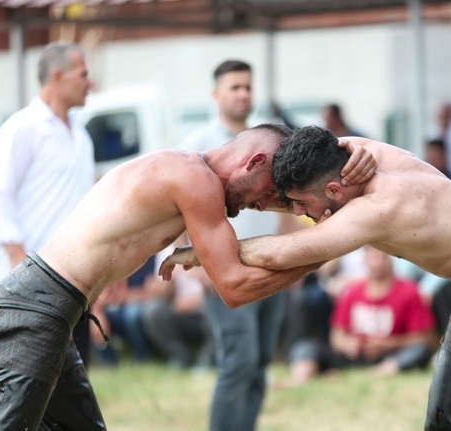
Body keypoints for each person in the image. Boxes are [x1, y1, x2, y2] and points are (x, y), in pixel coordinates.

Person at [163, 126, 451, 430]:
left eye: (300, 205)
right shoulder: (352, 154)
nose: (296, 214)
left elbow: (287, 251)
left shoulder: (380, 206)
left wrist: (198, 251)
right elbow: (314, 148)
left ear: (333, 191)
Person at [0, 122, 374, 431]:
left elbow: (294, 202)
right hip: (36, 304)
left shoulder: (191, 173)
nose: (263, 205)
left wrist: (352, 161)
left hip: (55, 308)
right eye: (267, 193)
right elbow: (233, 287)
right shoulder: (195, 182)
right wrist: (327, 248)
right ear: (254, 162)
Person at [180, 59, 290, 431]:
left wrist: (295, 253)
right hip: (225, 270)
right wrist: (198, 269)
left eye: (247, 86)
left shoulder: (270, 142)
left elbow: (285, 204)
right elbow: (180, 215)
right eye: (234, 87)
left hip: (273, 265)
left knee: (259, 363)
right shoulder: (198, 147)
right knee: (238, 361)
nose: (243, 94)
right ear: (216, 94)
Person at [0, 41, 96, 365]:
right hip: (30, 283)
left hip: (75, 281)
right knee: (29, 385)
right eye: (84, 74)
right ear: (58, 76)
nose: (91, 82)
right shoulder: (21, 129)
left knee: (73, 383)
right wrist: (20, 263)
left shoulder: (81, 137)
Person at [287, 246, 436, 385]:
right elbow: (336, 337)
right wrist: (347, 344)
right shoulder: (352, 291)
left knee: (419, 351)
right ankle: (299, 379)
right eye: (373, 255)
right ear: (364, 259)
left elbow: (426, 339)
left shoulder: (409, 291)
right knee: (305, 346)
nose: (378, 260)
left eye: (382, 255)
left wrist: (388, 344)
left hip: (390, 356)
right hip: (353, 356)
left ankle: (379, 372)